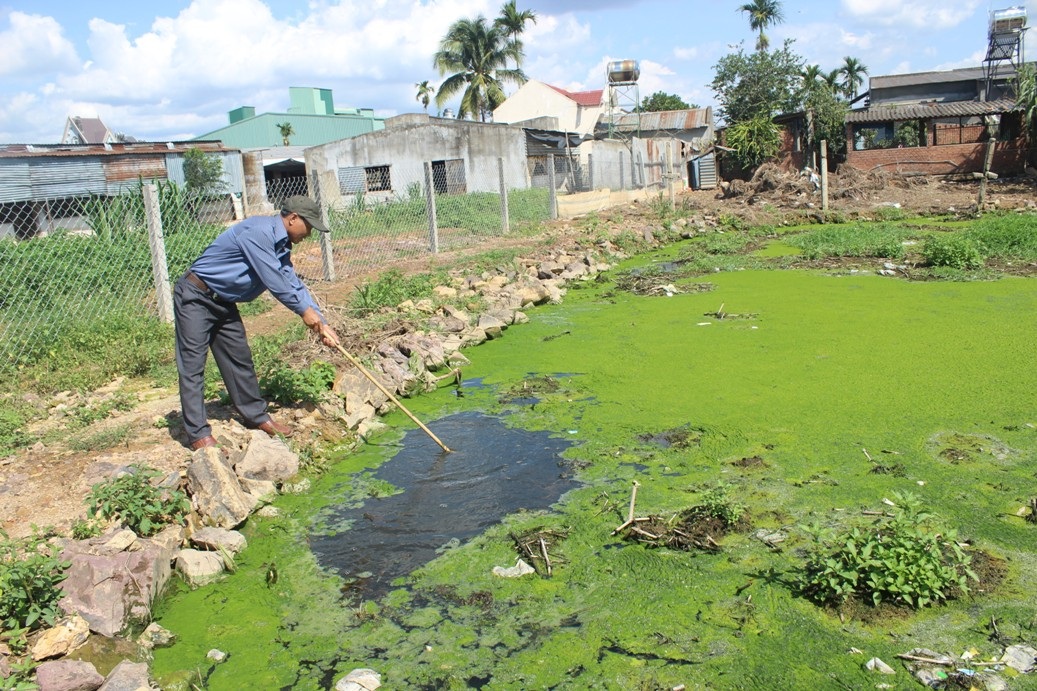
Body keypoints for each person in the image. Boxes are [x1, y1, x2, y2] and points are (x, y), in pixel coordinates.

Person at [174, 195, 340, 450]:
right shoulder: (259, 232)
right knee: (193, 365)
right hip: (196, 296)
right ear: (293, 218)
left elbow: (291, 281)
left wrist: (322, 322)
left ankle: (257, 416)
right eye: (309, 226)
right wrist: (304, 313)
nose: (309, 234)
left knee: (239, 359)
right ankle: (198, 434)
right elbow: (274, 280)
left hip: (223, 301)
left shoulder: (281, 243)